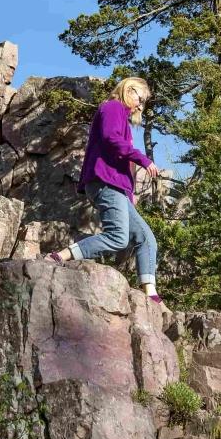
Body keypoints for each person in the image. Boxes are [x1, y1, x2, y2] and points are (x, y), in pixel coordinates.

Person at [46, 77, 162, 303]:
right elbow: (111, 139)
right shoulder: (112, 107)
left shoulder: (123, 119)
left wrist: (129, 195)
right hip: (104, 183)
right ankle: (60, 256)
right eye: (140, 99)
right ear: (130, 89)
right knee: (118, 237)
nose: (140, 106)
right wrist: (143, 160)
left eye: (143, 103)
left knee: (146, 238)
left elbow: (120, 156)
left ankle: (151, 296)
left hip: (116, 187)